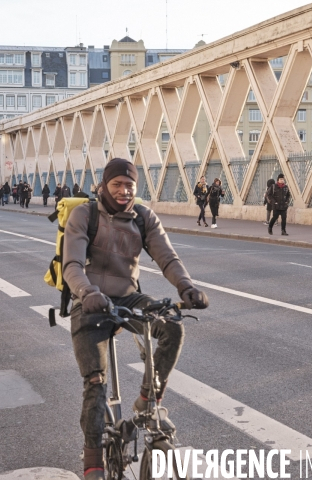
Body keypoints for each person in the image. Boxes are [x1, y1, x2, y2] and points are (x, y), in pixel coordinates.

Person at [63, 158, 208, 480]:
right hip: (90, 301)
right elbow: (71, 265)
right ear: (104, 186)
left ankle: (148, 399)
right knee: (95, 384)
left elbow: (167, 257)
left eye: (129, 185)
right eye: (117, 185)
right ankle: (93, 462)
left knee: (172, 324)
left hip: (128, 297)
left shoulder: (143, 218)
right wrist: (87, 293)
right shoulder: (84, 215)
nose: (124, 191)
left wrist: (187, 287)